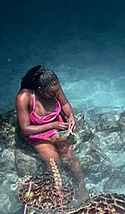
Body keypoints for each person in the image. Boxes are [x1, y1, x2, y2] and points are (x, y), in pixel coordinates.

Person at [15, 65, 88, 200]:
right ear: (40, 89)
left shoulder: (53, 87)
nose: (56, 95)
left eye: (56, 91)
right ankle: (53, 191)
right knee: (53, 161)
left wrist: (71, 116)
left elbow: (65, 104)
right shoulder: (24, 97)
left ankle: (82, 186)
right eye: (51, 94)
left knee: (69, 158)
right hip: (36, 133)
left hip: (56, 129)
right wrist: (52, 125)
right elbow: (25, 128)